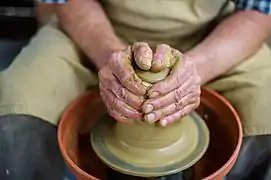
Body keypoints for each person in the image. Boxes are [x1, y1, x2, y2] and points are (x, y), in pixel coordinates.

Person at [0, 0, 271, 179]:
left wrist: (196, 70)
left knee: (266, 115)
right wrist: (107, 55)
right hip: (95, 30)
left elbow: (258, 10)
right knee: (19, 107)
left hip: (214, 39)